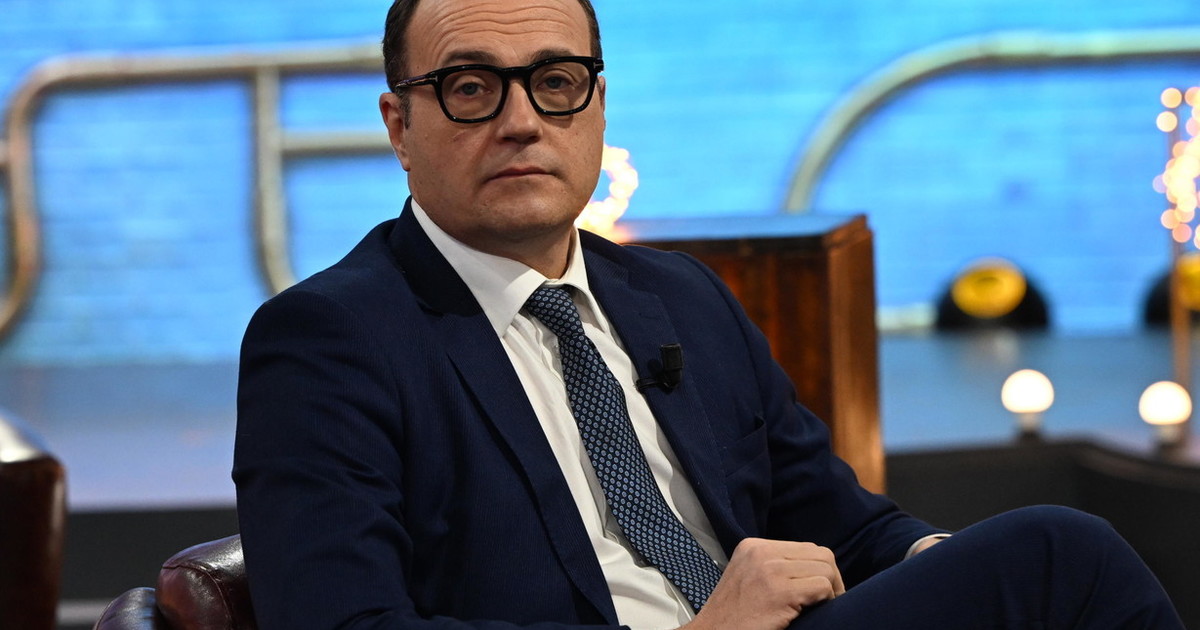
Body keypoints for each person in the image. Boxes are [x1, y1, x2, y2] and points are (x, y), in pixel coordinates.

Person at [232, 0, 1184, 628]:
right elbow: (342, 623)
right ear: (400, 125)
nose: (521, 120)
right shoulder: (327, 341)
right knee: (1061, 549)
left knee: (1040, 573)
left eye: (555, 82)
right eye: (471, 88)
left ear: (596, 106)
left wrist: (945, 568)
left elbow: (845, 527)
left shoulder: (677, 295)